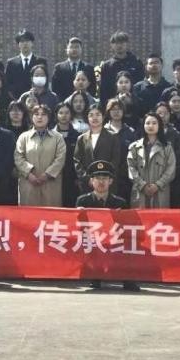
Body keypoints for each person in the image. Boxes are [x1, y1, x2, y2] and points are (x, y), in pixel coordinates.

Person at [76, 160, 139, 292]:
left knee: (127, 246)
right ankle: (95, 277)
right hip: (93, 242)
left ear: (110, 181)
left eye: (105, 178)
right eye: (97, 178)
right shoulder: (83, 201)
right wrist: (79, 214)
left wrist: (120, 216)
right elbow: (78, 228)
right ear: (91, 181)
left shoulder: (120, 202)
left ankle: (127, 279)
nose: (101, 182)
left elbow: (128, 228)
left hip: (114, 242)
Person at [14, 104, 66, 206]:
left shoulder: (58, 137)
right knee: (29, 213)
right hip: (29, 183)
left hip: (50, 184)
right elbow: (18, 157)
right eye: (36, 114)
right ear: (31, 117)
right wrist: (29, 174)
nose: (39, 117)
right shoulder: (23, 137)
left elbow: (60, 159)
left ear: (49, 117)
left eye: (43, 114)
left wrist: (47, 175)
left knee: (50, 213)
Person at [127, 113, 176, 208]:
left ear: (159, 125)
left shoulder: (167, 147)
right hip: (140, 191)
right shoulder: (134, 147)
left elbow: (171, 169)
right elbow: (131, 168)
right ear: (143, 125)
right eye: (148, 123)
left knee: (159, 217)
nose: (151, 126)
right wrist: (142, 185)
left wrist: (158, 185)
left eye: (154, 123)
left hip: (160, 191)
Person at [73, 102, 121, 194]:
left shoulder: (113, 137)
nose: (94, 118)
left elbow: (116, 159)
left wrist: (105, 178)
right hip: (88, 184)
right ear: (87, 118)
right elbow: (77, 161)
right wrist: (87, 178)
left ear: (103, 117)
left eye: (98, 114)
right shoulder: (81, 138)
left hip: (108, 184)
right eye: (91, 115)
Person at [103, 98, 137, 205]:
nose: (116, 112)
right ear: (108, 112)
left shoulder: (130, 132)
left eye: (119, 109)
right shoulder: (103, 131)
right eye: (113, 109)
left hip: (126, 177)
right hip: (107, 176)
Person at [98, 31, 145, 103]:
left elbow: (141, 85)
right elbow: (104, 90)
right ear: (112, 45)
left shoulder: (136, 62)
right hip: (114, 105)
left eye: (122, 43)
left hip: (133, 103)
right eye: (116, 43)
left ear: (127, 44)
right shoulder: (107, 66)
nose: (119, 46)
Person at [5, 30, 47, 99]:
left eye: (27, 41)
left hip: (36, 99)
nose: (25, 44)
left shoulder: (41, 61)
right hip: (16, 100)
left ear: (32, 43)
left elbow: (45, 83)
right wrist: (16, 100)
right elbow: (8, 84)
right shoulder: (11, 63)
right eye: (22, 41)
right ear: (18, 44)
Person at [54, 103, 80, 208]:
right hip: (53, 177)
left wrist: (78, 177)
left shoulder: (78, 136)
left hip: (72, 179)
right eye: (61, 113)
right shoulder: (50, 135)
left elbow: (79, 158)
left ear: (71, 114)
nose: (64, 116)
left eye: (67, 113)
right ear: (56, 115)